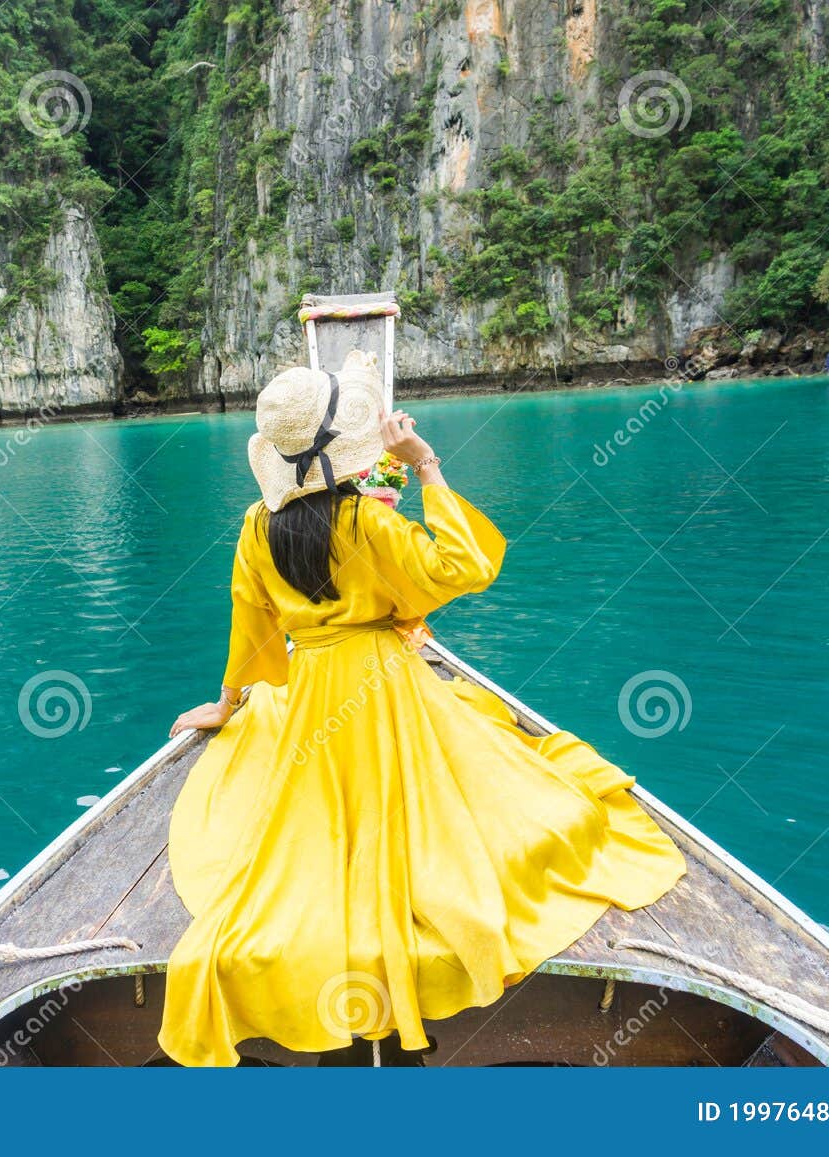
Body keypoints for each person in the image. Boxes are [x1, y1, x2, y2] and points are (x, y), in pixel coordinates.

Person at [158, 353, 686, 1066]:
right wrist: (427, 463)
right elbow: (463, 567)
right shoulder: (368, 524)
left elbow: (250, 625)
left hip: (311, 692)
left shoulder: (258, 526)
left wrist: (227, 706)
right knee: (479, 807)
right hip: (384, 686)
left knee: (308, 829)